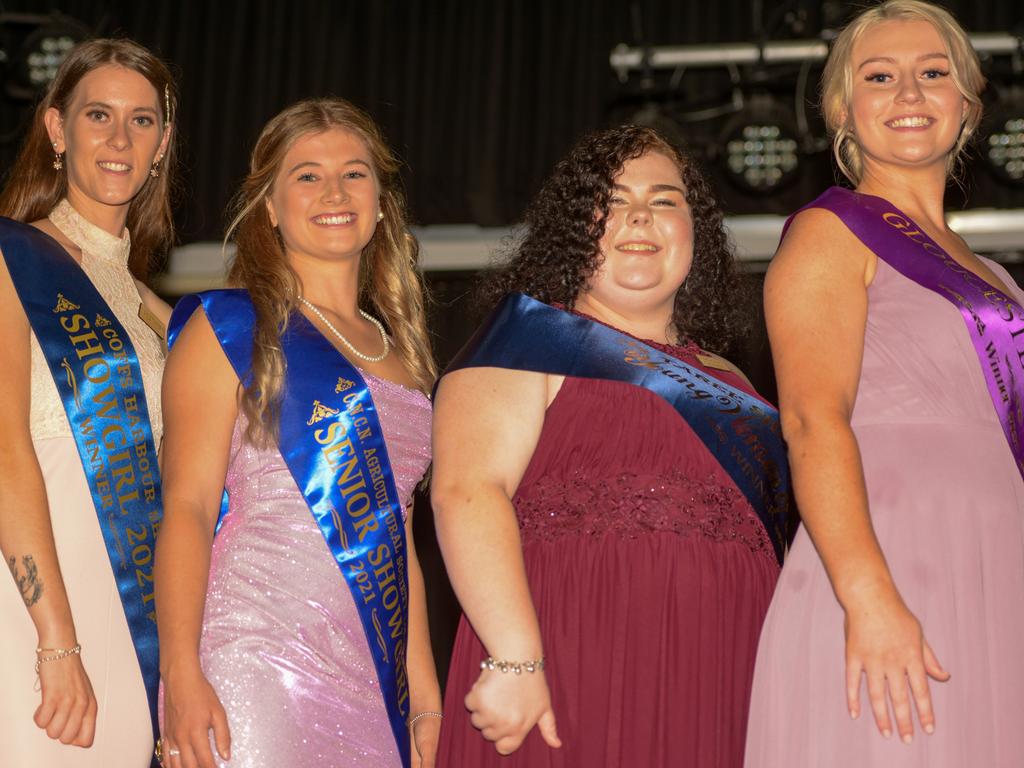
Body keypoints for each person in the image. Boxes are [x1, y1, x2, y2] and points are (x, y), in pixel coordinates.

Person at [432, 124, 791, 767]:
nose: (638, 216)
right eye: (612, 199)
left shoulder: (736, 384)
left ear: (695, 230)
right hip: (567, 661)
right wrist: (514, 656)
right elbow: (466, 491)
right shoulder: (527, 342)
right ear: (576, 226)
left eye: (663, 199)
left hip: (729, 668)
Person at [745, 2, 1024, 765]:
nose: (909, 92)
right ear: (842, 109)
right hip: (888, 561)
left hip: (997, 569)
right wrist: (868, 597)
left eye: (933, 73)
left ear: (967, 106)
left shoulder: (995, 276)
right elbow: (810, 421)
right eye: (880, 76)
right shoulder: (829, 231)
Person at [154, 97, 441, 768]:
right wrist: (180, 674)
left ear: (379, 201)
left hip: (374, 677)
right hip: (254, 657)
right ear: (271, 207)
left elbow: (396, 536)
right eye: (307, 175)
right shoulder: (228, 327)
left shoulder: (404, 352)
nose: (334, 191)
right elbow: (187, 510)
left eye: (355, 173)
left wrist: (424, 697)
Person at [0, 38, 176, 768]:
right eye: (98, 114)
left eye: (141, 121)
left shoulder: (156, 313)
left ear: (162, 143)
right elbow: (6, 450)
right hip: (35, 614)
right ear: (54, 129)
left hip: (132, 620)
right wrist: (57, 640)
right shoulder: (12, 258)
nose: (118, 138)